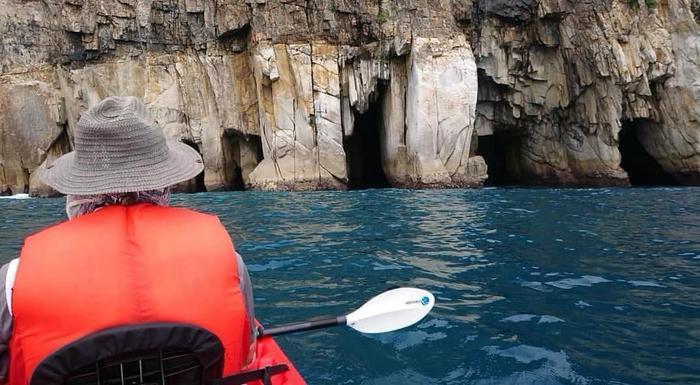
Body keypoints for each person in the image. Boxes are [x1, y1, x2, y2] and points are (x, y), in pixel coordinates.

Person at [0, 96, 256, 384]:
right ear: (162, 185)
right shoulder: (228, 262)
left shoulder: (13, 281)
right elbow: (246, 354)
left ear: (80, 190)